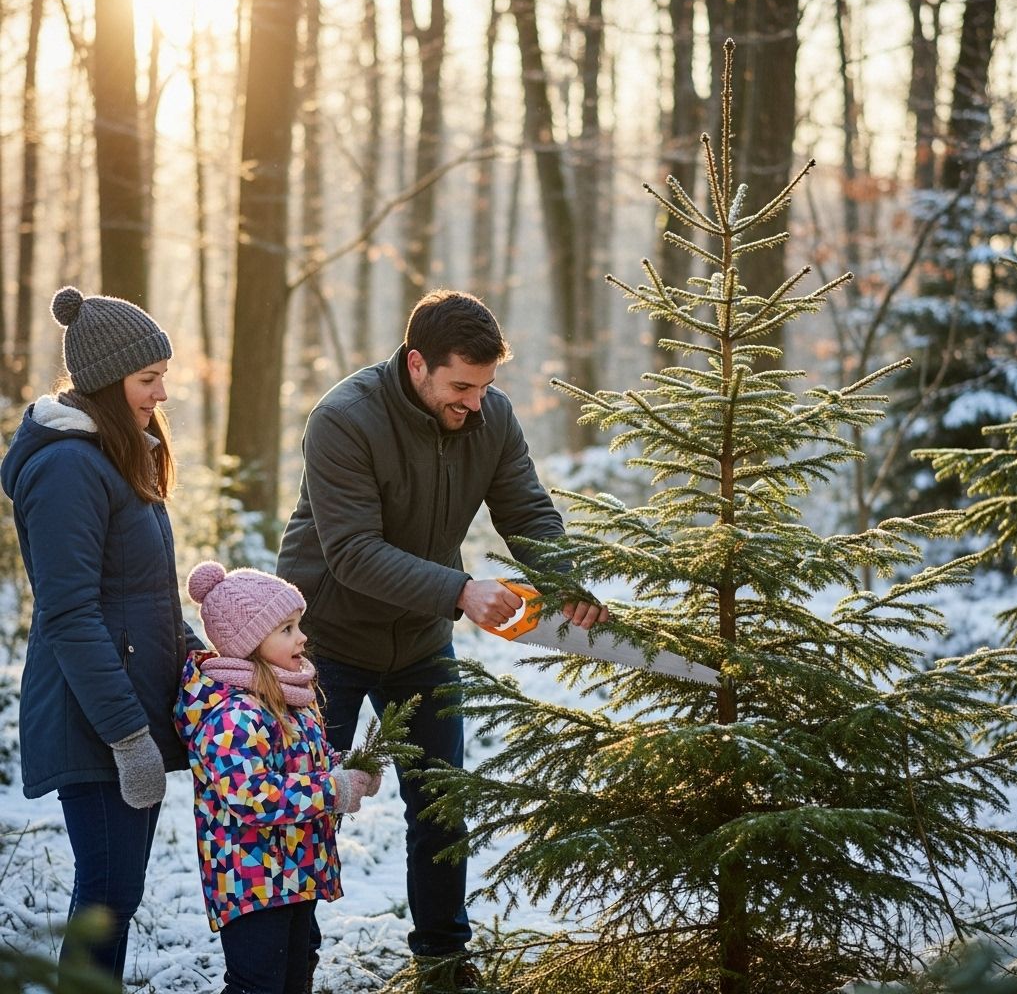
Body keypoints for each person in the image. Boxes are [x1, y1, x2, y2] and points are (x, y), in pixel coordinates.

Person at [276, 288, 608, 991]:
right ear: (417, 364)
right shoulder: (344, 419)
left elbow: (526, 510)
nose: (475, 403)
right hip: (326, 642)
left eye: (485, 387)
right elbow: (353, 553)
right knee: (309, 810)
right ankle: (286, 967)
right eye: (461, 387)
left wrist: (564, 580)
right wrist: (460, 591)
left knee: (442, 805)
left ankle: (444, 963)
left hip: (422, 642)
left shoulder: (491, 416)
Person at [0, 285, 205, 984]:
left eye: (162, 376)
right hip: (93, 719)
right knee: (108, 896)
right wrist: (127, 737)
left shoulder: (114, 456)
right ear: (108, 381)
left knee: (117, 895)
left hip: (126, 710)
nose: (161, 393)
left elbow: (141, 597)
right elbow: (70, 614)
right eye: (148, 379)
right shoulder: (67, 469)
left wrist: (199, 656)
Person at [175, 560, 381, 994]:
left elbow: (303, 764)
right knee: (259, 981)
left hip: (296, 869)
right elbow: (253, 796)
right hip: (251, 877)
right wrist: (334, 790)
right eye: (287, 629)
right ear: (248, 643)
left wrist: (345, 768)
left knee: (297, 967)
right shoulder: (233, 715)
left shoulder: (290, 698)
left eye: (298, 625)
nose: (302, 637)